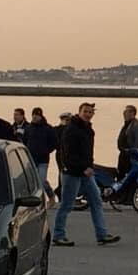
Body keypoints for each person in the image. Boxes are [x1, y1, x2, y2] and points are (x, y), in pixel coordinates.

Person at [51, 103, 119, 247]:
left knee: (96, 201)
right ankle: (58, 235)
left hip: (86, 173)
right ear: (79, 112)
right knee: (67, 205)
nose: (88, 114)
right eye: (85, 111)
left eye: (90, 112)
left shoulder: (88, 130)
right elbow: (68, 155)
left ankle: (102, 235)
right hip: (72, 173)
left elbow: (88, 152)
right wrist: (83, 168)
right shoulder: (71, 130)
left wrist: (89, 166)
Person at [22, 107, 59, 203]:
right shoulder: (28, 128)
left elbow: (55, 142)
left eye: (37, 115)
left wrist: (46, 150)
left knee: (41, 181)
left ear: (41, 116)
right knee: (32, 181)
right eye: (34, 115)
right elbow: (24, 141)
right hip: (31, 159)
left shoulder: (48, 128)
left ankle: (46, 198)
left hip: (43, 160)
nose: (35, 117)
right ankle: (43, 197)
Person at [116, 105, 138, 178]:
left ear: (132, 113)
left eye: (126, 112)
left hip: (130, 156)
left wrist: (134, 153)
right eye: (124, 112)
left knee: (129, 176)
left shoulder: (137, 125)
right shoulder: (126, 124)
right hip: (123, 155)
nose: (124, 114)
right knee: (121, 175)